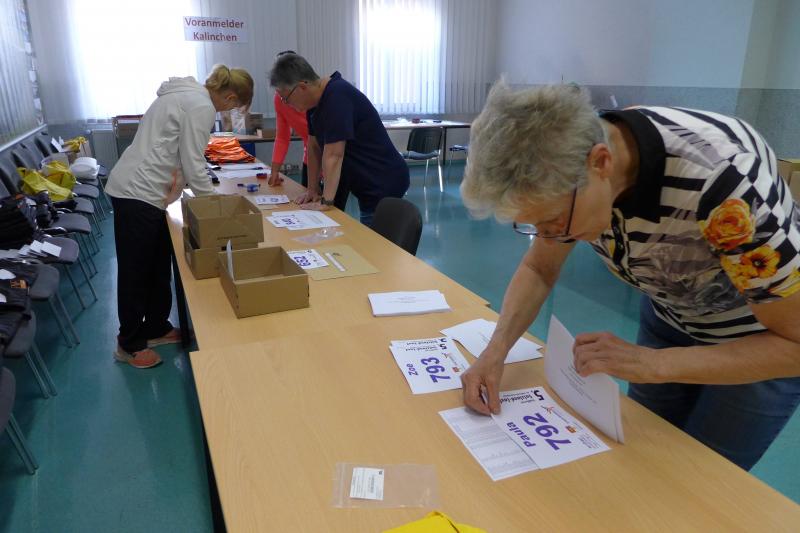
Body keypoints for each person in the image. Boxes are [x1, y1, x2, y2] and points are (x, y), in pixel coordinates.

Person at [459, 81, 800, 471]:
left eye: (553, 221)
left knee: (700, 478)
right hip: (670, 313)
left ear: (601, 163)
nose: (549, 237)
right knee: (640, 463)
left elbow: (795, 343)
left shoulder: (725, 184)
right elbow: (539, 267)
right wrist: (495, 352)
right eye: (535, 225)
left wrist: (654, 364)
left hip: (758, 339)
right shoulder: (574, 168)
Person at [105, 65, 254, 368]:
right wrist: (215, 206)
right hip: (137, 192)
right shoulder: (200, 105)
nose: (228, 111)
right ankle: (129, 344)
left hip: (148, 192)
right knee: (136, 271)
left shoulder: (186, 96)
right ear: (229, 96)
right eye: (233, 106)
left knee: (158, 263)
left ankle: (156, 327)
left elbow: (183, 157)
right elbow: (192, 160)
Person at [268, 53, 409, 226]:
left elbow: (334, 155)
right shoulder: (314, 105)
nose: (285, 104)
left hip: (382, 180)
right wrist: (312, 189)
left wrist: (326, 202)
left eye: (286, 98)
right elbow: (313, 147)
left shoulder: (337, 96)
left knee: (373, 235)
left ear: (302, 87)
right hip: (365, 181)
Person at [269, 51, 310, 188]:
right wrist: (275, 171)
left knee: (331, 201)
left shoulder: (313, 95)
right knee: (307, 198)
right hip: (310, 158)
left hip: (333, 158)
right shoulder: (279, 99)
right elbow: (282, 137)